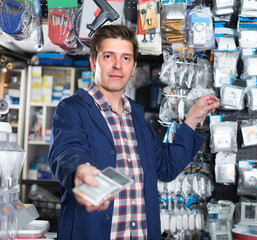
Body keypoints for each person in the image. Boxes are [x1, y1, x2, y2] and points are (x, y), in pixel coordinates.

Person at [48, 24, 219, 240]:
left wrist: (193, 118)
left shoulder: (136, 118)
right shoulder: (72, 109)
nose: (118, 65)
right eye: (108, 56)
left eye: (126, 58)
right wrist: (81, 169)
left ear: (134, 66)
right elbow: (67, 150)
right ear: (93, 62)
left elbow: (166, 167)